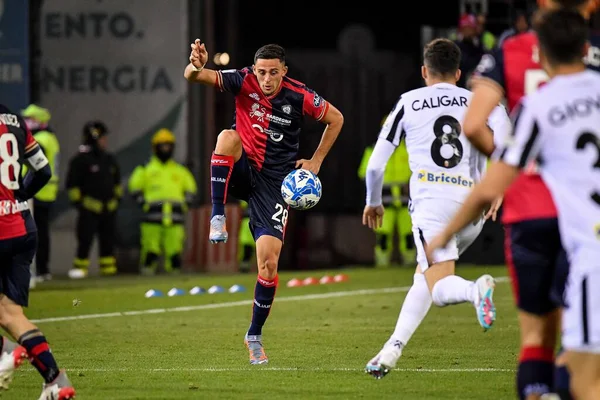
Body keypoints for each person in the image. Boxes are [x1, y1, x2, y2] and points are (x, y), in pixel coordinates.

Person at [427, 9, 600, 398]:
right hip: (586, 233)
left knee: (547, 344)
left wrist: (446, 232)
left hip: (555, 228)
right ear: (586, 47)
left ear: (543, 52)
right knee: (580, 364)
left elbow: (488, 167)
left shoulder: (539, 104)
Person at [185, 41, 344, 364]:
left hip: (275, 185)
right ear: (254, 71)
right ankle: (218, 215)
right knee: (227, 138)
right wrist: (197, 65)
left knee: (268, 265)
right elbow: (193, 77)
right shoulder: (242, 80)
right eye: (261, 73)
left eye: (273, 73)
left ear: (284, 72)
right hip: (245, 169)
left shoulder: (299, 95)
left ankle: (254, 335)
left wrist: (316, 161)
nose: (266, 79)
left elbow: (337, 118)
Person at [362, 38, 511, 379]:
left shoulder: (409, 102)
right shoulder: (480, 99)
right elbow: (505, 137)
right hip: (473, 208)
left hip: (433, 206)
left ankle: (477, 291)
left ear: (424, 71)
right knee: (424, 277)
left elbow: (375, 166)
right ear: (458, 73)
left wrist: (373, 202)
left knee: (440, 287)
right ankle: (390, 351)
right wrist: (497, 186)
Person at [0, 104, 75, 398]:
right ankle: (56, 381)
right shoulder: (15, 120)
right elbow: (42, 171)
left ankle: (5, 351)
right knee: (9, 313)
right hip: (21, 224)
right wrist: (19, 196)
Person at [128, 128, 197, 274]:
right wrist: (143, 204)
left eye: (168, 146)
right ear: (155, 148)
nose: (166, 149)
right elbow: (134, 187)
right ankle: (146, 276)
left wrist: (184, 205)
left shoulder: (180, 170)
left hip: (175, 219)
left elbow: (191, 189)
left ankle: (175, 280)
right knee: (150, 250)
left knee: (175, 252)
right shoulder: (145, 169)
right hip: (152, 219)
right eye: (162, 146)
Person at [66, 121, 122, 279]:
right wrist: (85, 204)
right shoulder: (80, 160)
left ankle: (109, 271)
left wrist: (115, 201)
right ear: (93, 138)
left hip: (108, 209)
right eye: (102, 138)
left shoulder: (109, 159)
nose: (105, 141)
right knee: (85, 240)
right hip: (89, 210)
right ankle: (79, 270)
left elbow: (117, 183)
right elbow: (73, 187)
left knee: (108, 242)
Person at [358, 116, 414, 267]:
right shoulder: (373, 150)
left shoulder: (409, 149)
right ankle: (381, 266)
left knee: (408, 236)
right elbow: (364, 173)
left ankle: (409, 264)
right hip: (384, 202)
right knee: (383, 237)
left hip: (406, 202)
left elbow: (418, 172)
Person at [21, 105, 60, 282]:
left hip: (36, 191)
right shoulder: (49, 138)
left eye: (31, 119)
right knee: (41, 232)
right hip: (46, 191)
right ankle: (43, 270)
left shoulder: (41, 140)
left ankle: (37, 270)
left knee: (34, 233)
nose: (27, 122)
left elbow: (37, 167)